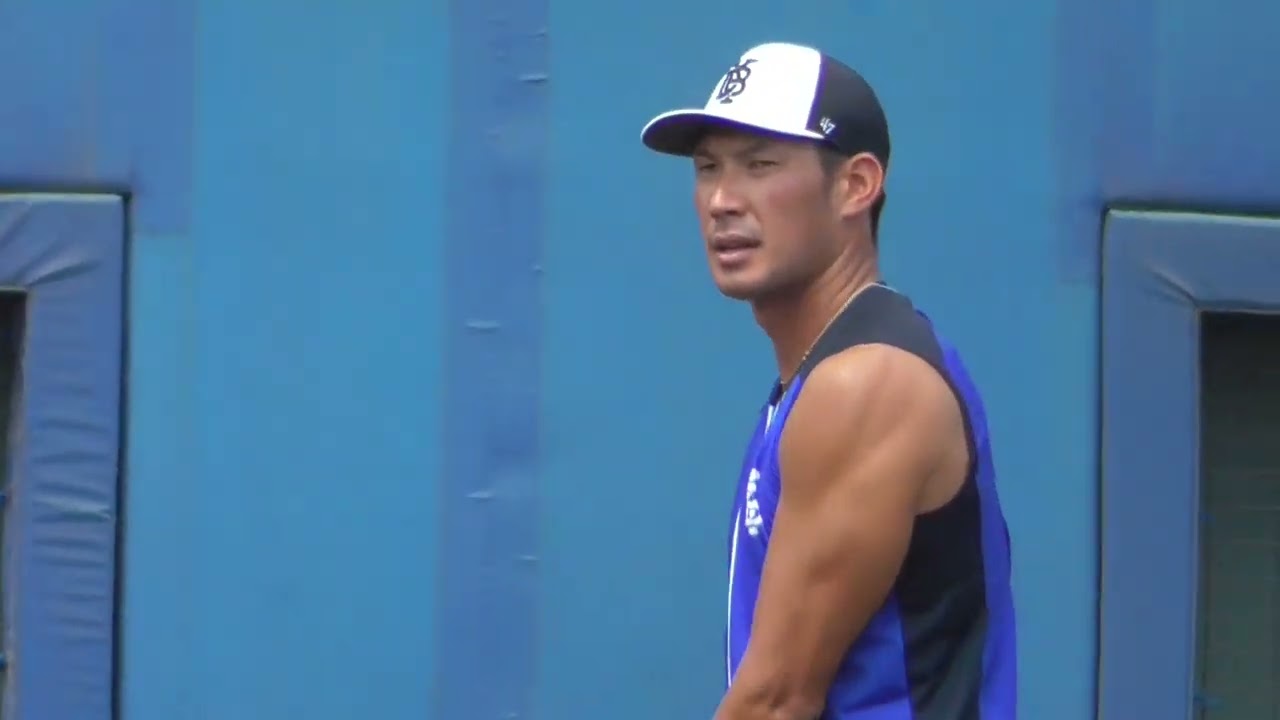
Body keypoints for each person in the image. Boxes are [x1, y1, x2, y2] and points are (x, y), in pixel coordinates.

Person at [639, 42, 1017, 719]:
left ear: (856, 185)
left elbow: (776, 701)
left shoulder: (867, 385)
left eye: (760, 165)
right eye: (707, 168)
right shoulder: (818, 381)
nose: (722, 200)